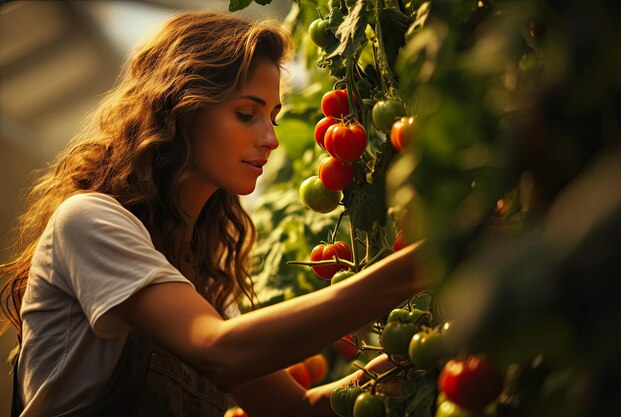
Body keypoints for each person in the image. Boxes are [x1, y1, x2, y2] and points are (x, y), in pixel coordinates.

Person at [0, 11, 424, 417]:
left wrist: (416, 351)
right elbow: (220, 351)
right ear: (181, 107)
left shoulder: (196, 287)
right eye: (246, 113)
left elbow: (297, 410)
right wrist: (427, 261)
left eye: (272, 118)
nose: (270, 140)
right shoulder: (88, 221)